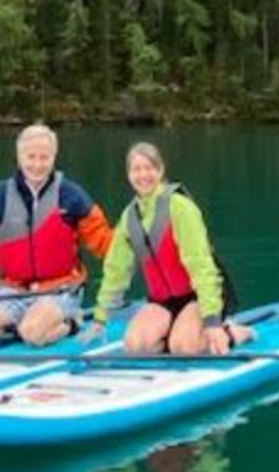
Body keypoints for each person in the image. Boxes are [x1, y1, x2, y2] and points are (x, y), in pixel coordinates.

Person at [89, 141, 254, 356]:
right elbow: (116, 270)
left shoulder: (179, 206)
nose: (143, 175)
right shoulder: (129, 217)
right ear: (129, 174)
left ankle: (232, 332)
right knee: (135, 346)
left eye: (149, 168)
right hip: (163, 301)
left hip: (198, 297)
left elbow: (201, 264)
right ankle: (175, 332)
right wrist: (101, 316)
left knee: (184, 347)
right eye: (136, 169)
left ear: (160, 171)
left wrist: (212, 319)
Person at [0, 123, 113, 347]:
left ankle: (71, 323)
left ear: (54, 157)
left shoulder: (72, 196)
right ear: (19, 156)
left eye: (44, 157)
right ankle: (21, 322)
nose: (37, 165)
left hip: (61, 289)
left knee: (32, 333)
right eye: (31, 157)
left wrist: (131, 251)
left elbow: (103, 241)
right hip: (12, 290)